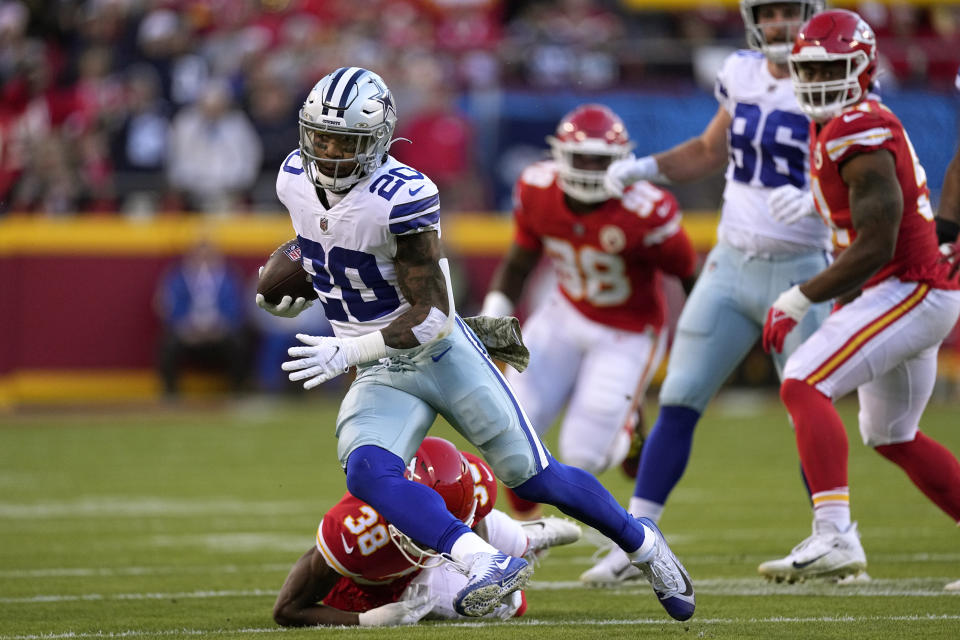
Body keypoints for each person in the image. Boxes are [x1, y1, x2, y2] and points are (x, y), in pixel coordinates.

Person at [257, 66, 695, 621]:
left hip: (436, 354)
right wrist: (293, 278)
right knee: (367, 472)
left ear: (380, 139)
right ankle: (483, 560)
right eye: (321, 137)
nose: (331, 151)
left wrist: (350, 349)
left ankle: (644, 544)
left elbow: (434, 314)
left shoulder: (402, 196)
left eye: (346, 141)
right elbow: (317, 237)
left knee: (533, 476)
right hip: (380, 368)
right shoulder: (293, 176)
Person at [583, 0, 831, 584]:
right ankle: (637, 542)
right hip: (731, 260)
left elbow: (856, 165)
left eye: (789, 13)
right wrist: (642, 168)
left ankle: (834, 535)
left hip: (801, 269)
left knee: (808, 408)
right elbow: (706, 150)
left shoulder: (831, 78)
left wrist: (819, 197)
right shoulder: (741, 72)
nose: (779, 25)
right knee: (680, 397)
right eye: (769, 14)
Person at [757, 9, 960, 583]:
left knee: (803, 380)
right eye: (810, 71)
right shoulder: (842, 121)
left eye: (833, 70)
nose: (819, 83)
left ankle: (834, 535)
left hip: (907, 287)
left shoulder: (857, 128)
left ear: (864, 68)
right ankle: (836, 536)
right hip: (907, 287)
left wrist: (799, 297)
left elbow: (877, 243)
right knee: (892, 435)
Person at [480, 103, 697, 520]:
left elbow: (690, 277)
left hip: (628, 331)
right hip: (564, 313)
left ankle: (628, 424)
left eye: (601, 160)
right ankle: (526, 529)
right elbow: (520, 263)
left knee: (584, 456)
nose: (591, 168)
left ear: (622, 161)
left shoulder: (646, 210)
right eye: (582, 158)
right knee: (506, 425)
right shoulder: (537, 187)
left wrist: (701, 342)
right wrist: (493, 317)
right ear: (560, 155)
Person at [272, 437, 583, 627]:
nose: (438, 534)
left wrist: (466, 531)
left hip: (415, 551)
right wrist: (365, 621)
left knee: (466, 534)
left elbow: (462, 518)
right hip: (393, 586)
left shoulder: (471, 476)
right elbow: (287, 610)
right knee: (514, 605)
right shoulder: (354, 533)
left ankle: (521, 537)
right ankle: (516, 540)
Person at [154, 239, 248, 398]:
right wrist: (186, 327)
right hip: (188, 332)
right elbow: (169, 305)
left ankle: (238, 391)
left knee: (239, 343)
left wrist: (220, 326)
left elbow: (236, 306)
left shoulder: (228, 277)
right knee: (168, 344)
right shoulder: (178, 277)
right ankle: (170, 393)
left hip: (219, 331)